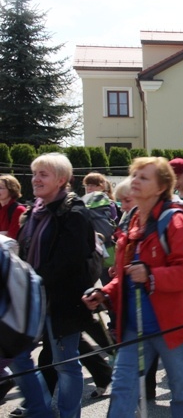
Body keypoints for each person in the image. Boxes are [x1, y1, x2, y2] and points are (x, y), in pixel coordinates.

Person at [82, 156, 183, 418]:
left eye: (144, 177)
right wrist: (106, 292)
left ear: (161, 187)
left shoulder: (175, 222)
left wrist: (152, 275)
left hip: (172, 325)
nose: (135, 181)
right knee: (122, 388)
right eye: (135, 175)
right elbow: (127, 275)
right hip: (134, 326)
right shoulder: (132, 221)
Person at [12, 153, 95, 418]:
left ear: (62, 180)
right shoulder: (31, 213)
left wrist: (32, 278)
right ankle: (40, 410)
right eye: (35, 173)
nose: (35, 179)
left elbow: (70, 261)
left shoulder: (75, 213)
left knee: (65, 363)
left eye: (43, 174)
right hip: (30, 299)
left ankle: (68, 414)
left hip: (63, 302)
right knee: (19, 358)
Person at [0, 175, 25, 402]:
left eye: (1, 188)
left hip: (11, 274)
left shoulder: (17, 211)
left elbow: (14, 244)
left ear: (11, 190)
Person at [0, 175, 26, 239]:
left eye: (0, 188)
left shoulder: (19, 210)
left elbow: (12, 236)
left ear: (11, 190)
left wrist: (6, 234)